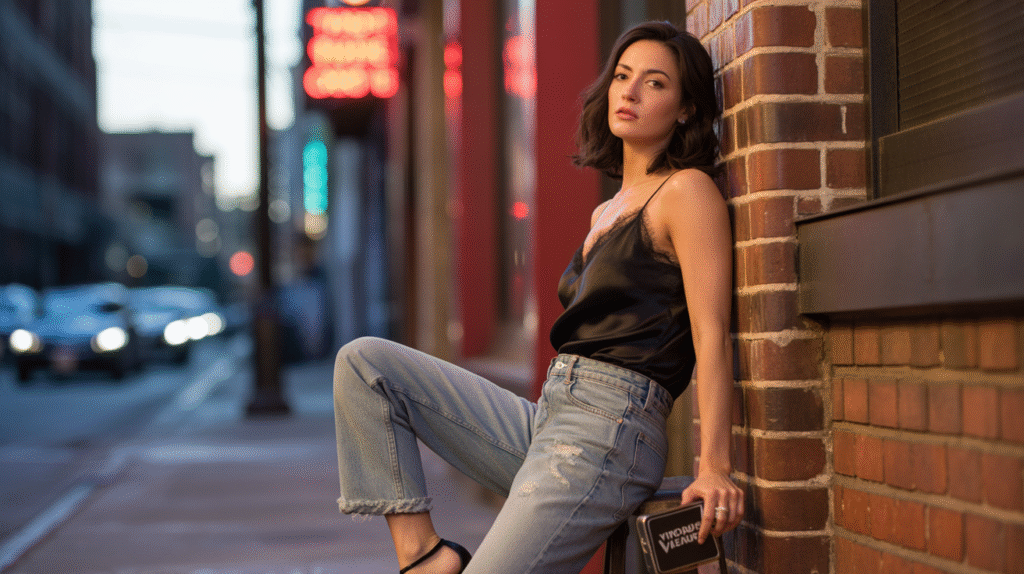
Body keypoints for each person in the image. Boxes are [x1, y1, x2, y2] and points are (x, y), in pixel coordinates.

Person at [333, 21, 743, 574]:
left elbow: (711, 333)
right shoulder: (609, 209)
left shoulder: (686, 192)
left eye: (655, 83)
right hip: (549, 417)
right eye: (623, 76)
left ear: (687, 108)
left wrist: (714, 463)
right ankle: (425, 555)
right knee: (365, 366)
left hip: (610, 431)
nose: (630, 92)